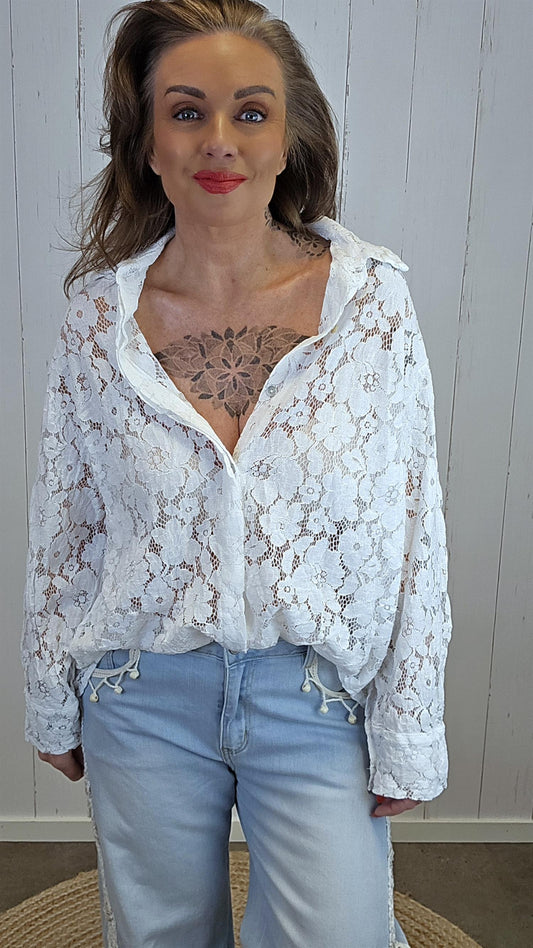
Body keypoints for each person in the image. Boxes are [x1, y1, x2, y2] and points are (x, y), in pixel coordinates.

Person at [21, 1, 453, 945]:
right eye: (186, 111)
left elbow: (412, 522)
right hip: (141, 692)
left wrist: (409, 727)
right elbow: (68, 522)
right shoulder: (98, 320)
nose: (219, 139)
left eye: (250, 111)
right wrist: (51, 698)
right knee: (161, 935)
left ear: (288, 138)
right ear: (147, 144)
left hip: (315, 699)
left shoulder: (369, 303)